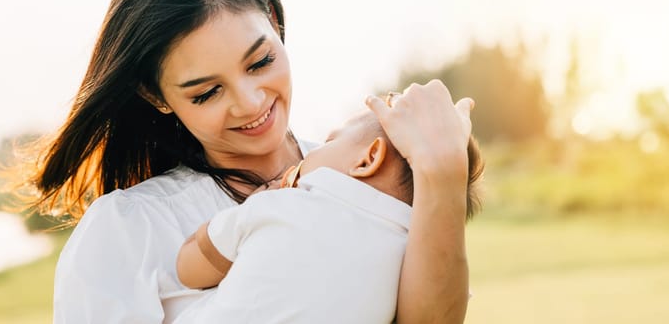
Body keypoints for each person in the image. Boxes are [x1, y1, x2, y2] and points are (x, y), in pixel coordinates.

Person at [7, 0, 475, 323]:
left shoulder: (380, 192)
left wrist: (443, 169)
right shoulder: (130, 229)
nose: (250, 103)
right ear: (155, 96)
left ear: (274, 23)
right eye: (206, 93)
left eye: (261, 61)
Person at [173, 109, 484, 323]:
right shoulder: (414, 267)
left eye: (331, 141)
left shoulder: (282, 205)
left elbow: (190, 267)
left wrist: (253, 204)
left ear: (368, 159)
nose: (309, 153)